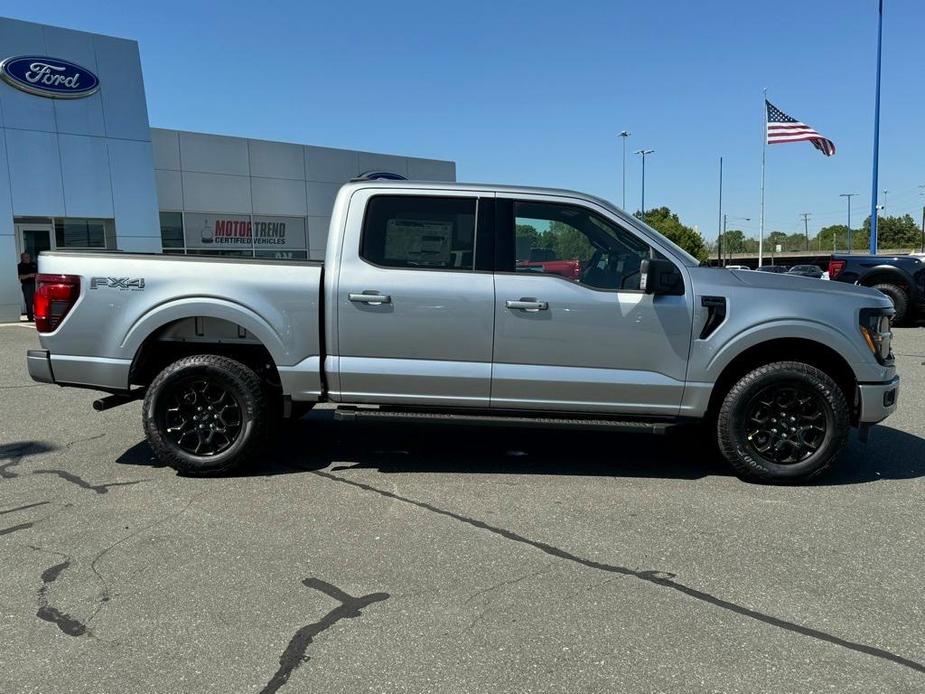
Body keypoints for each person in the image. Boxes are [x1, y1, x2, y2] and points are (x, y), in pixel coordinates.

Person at [17, 252, 37, 322]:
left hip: (36, 284)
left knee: (37, 301)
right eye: (26, 257)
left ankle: (38, 316)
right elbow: (20, 277)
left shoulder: (34, 264)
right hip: (27, 285)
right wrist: (29, 275)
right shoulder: (20, 266)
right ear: (22, 258)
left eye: (28, 257)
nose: (28, 258)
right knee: (29, 302)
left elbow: (39, 273)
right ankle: (30, 318)